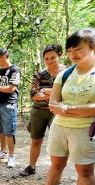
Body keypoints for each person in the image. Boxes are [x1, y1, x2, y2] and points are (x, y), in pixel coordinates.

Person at [33, 28, 95, 185]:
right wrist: (69, 110)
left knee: (85, 170)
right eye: (70, 50)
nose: (73, 54)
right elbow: (53, 104)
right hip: (60, 127)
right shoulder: (65, 74)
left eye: (78, 49)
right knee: (56, 164)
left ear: (94, 47)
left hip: (88, 129)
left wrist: (67, 108)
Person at [20, 45, 66, 176]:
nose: (50, 61)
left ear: (60, 56)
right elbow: (34, 95)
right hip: (38, 111)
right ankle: (31, 166)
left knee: (57, 143)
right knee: (36, 140)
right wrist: (55, 93)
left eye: (53, 57)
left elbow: (67, 93)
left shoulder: (67, 73)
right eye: (46, 58)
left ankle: (56, 172)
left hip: (57, 112)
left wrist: (45, 91)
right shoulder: (39, 74)